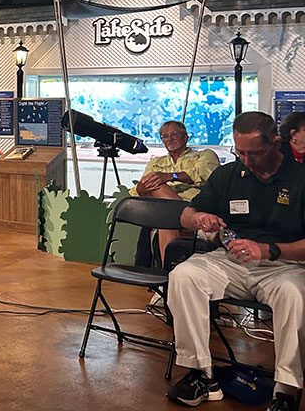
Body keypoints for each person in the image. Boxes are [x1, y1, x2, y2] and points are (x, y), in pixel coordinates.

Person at [166, 112, 305, 410]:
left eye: (253, 153)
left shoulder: (300, 178)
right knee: (184, 275)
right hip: (231, 261)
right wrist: (199, 218)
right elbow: (185, 215)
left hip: (285, 266)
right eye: (239, 151)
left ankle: (286, 390)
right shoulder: (228, 175)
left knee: (295, 295)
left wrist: (268, 250)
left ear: (275, 143)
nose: (245, 159)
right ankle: (201, 374)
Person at [130, 120, 220, 264]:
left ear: (185, 137)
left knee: (163, 213)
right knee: (162, 208)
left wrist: (170, 176)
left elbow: (205, 175)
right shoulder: (156, 162)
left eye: (174, 134)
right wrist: (142, 186)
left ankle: (166, 279)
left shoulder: (204, 155)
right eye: (165, 136)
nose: (169, 139)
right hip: (168, 212)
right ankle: (170, 274)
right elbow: (137, 192)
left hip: (195, 206)